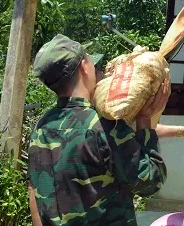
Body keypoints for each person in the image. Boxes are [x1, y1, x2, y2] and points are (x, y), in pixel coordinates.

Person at [27, 34, 169, 226]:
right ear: (85, 66)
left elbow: (34, 190)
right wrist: (145, 122)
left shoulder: (42, 126)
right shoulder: (103, 125)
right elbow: (149, 181)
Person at [93, 56, 184, 139]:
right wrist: (144, 117)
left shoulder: (111, 107)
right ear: (85, 73)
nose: (102, 73)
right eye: (97, 70)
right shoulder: (95, 117)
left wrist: (182, 131)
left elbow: (138, 129)